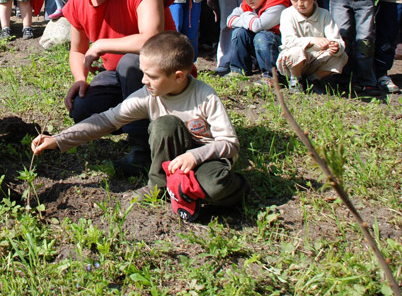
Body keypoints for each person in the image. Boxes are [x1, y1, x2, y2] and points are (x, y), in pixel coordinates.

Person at [31, 31, 246, 222]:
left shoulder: (205, 96)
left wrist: (195, 157)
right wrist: (58, 139)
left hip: (205, 160)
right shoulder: (148, 95)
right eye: (143, 73)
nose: (143, 81)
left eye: (151, 76)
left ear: (178, 77)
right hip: (173, 162)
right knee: (164, 125)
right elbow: (107, 120)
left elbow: (229, 144)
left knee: (213, 186)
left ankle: (232, 188)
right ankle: (160, 188)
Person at [56, 0, 175, 177]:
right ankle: (138, 122)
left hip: (165, 78)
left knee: (132, 63)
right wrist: (80, 79)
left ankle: (143, 149)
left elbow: (151, 39)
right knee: (82, 108)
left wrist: (100, 44)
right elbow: (77, 50)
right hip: (120, 79)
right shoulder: (79, 1)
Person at [276, 0, 347, 92]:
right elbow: (288, 42)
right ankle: (295, 80)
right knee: (296, 51)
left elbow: (336, 39)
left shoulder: (324, 14)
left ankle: (313, 79)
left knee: (342, 56)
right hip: (292, 62)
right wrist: (312, 40)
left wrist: (336, 46)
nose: (300, 3)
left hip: (315, 58)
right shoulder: (287, 14)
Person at [226, 0, 290, 85]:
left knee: (262, 36)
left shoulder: (277, 5)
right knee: (239, 32)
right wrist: (248, 18)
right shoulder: (249, 3)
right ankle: (238, 71)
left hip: (279, 47)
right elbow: (230, 20)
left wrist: (246, 16)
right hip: (260, 47)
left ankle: (272, 76)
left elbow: (258, 26)